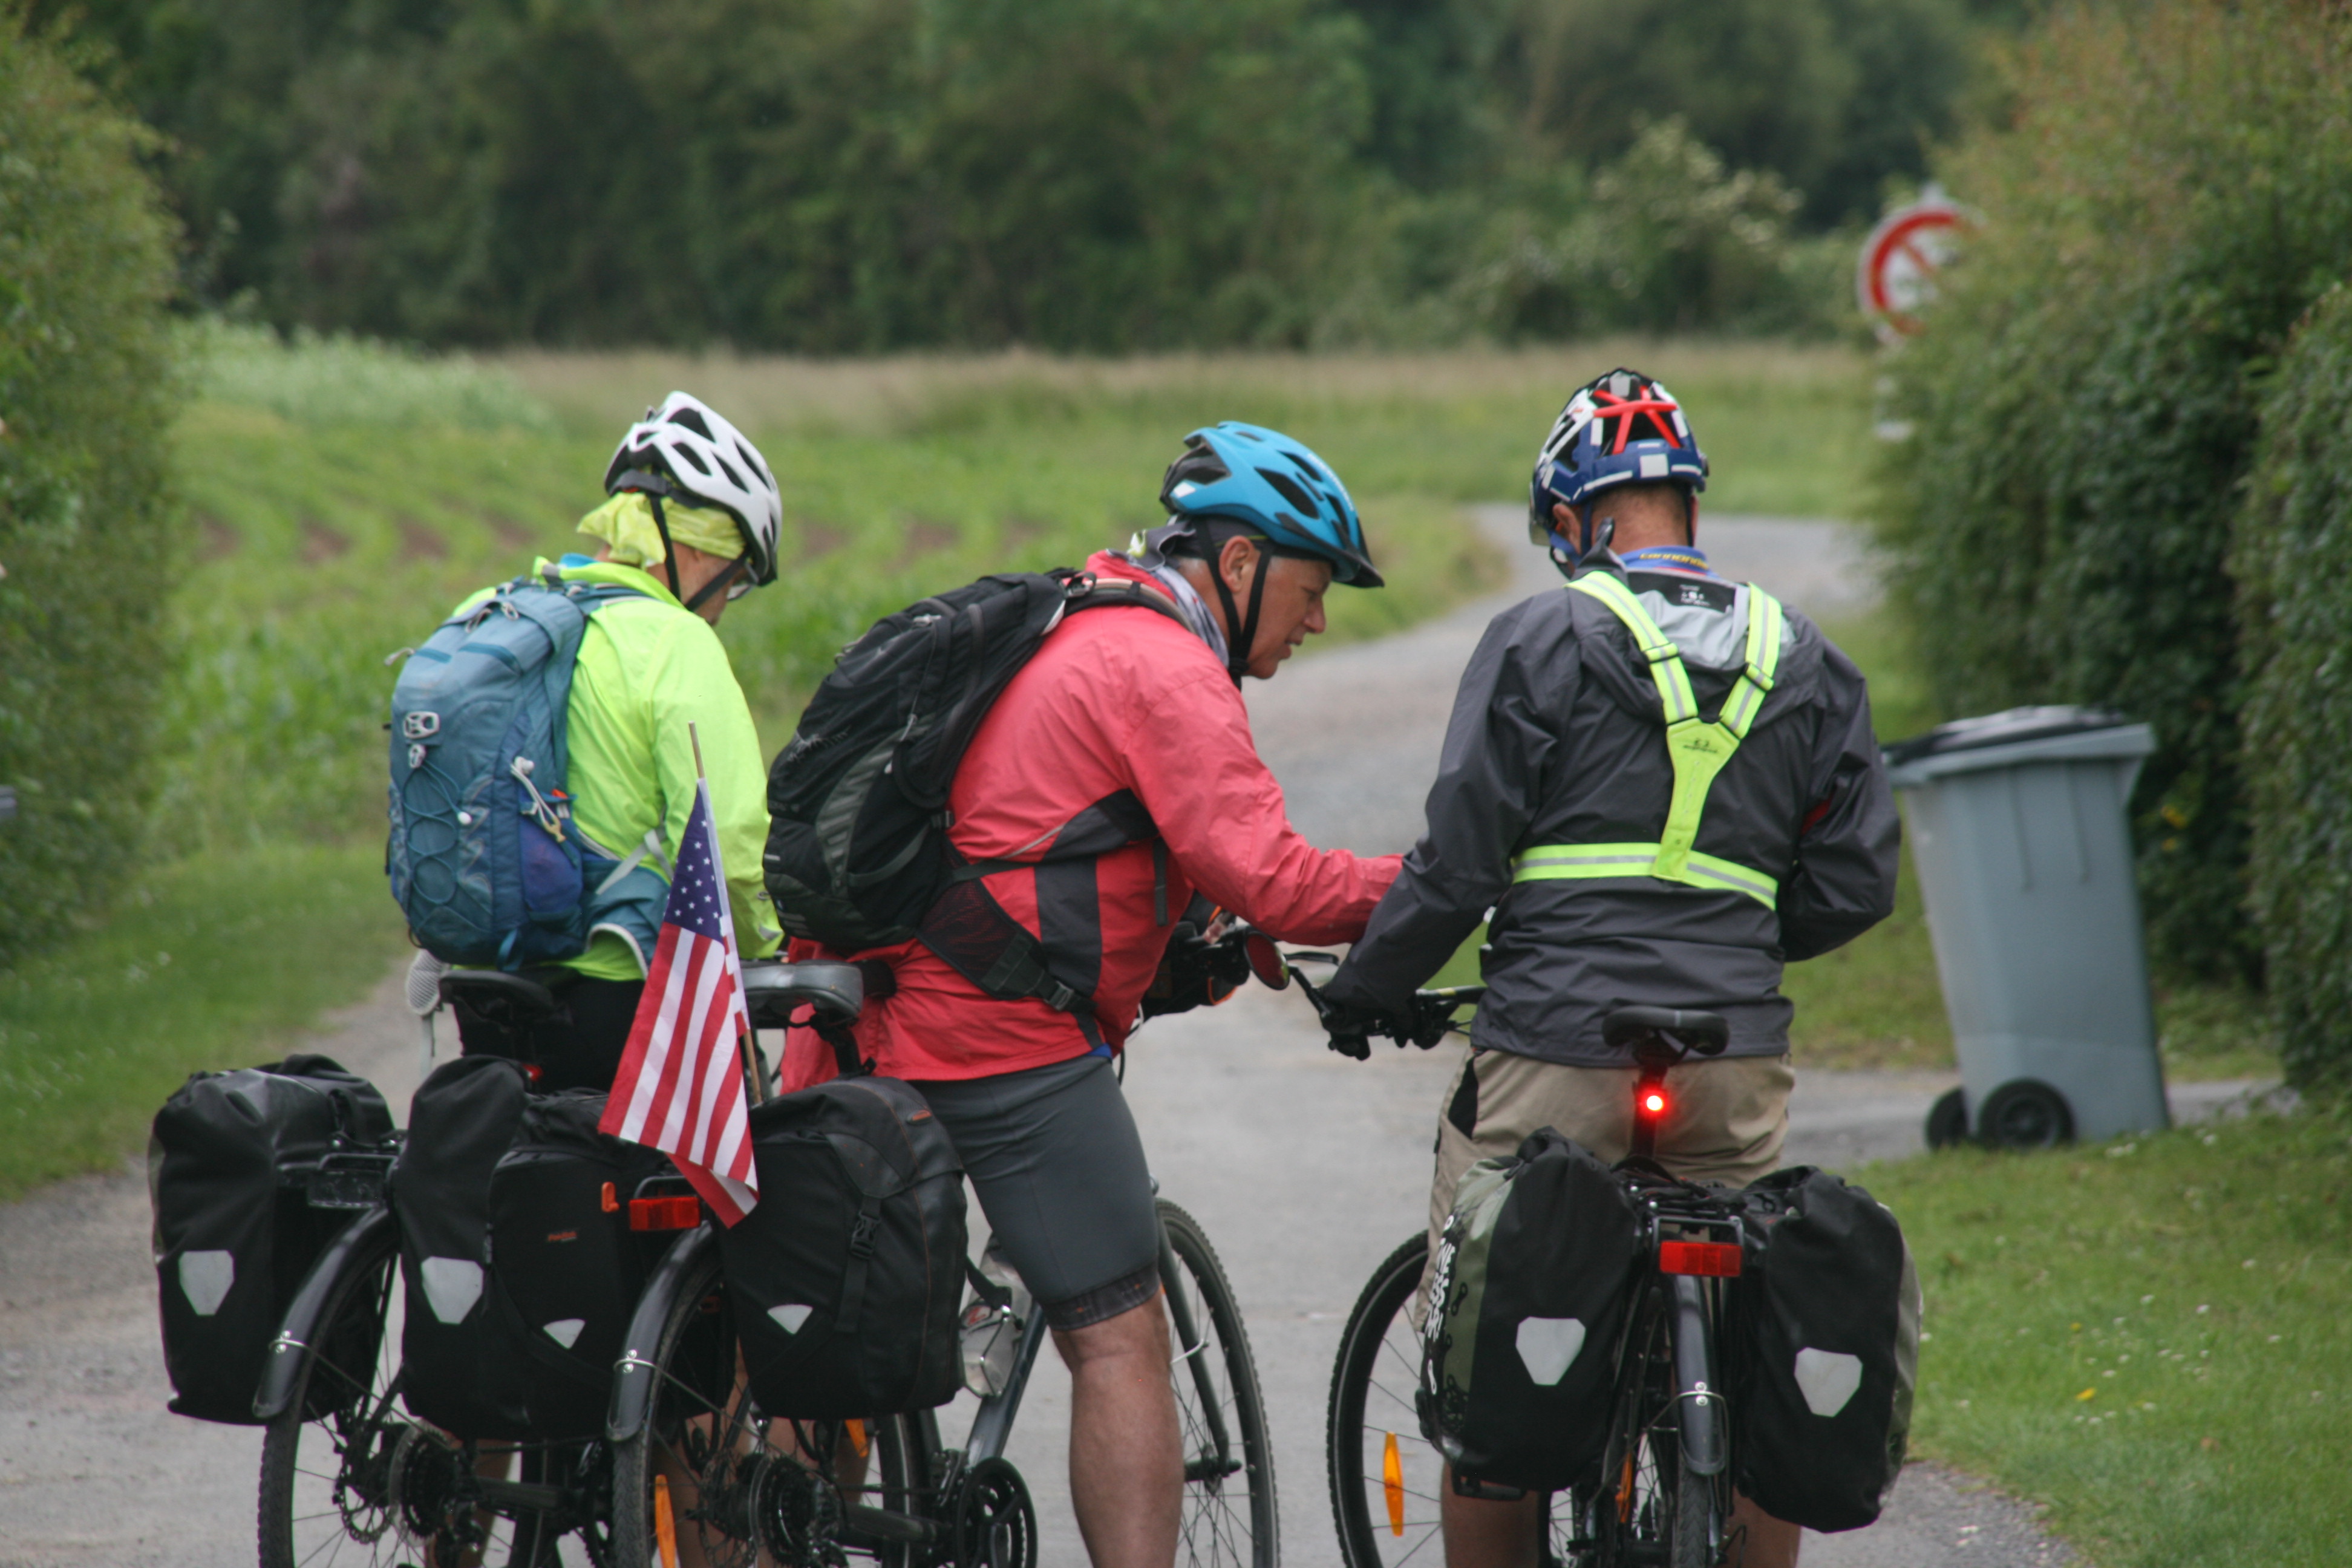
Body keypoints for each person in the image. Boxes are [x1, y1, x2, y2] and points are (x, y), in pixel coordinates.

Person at [783, 422, 1403, 1568]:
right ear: (1236, 564)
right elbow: (1269, 869)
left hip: (869, 1011)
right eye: (1309, 590)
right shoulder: (1166, 667)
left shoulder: (1073, 620)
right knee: (1119, 1336)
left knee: (838, 1337)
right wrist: (1427, 885)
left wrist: (1200, 922)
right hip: (996, 1041)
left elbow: (1061, 832)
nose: (1314, 621)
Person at [1320, 369, 1901, 1568]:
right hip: (1729, 1068)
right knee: (1749, 1370)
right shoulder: (1807, 657)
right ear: (1685, 503)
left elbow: (1460, 859)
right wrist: (1735, 945)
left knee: (1487, 1356)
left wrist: (1371, 984)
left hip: (1555, 1049)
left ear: (1578, 518)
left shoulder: (1543, 636)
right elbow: (1856, 881)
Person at [439, 391, 786, 1089]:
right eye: (734, 577)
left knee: (512, 1180)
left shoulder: (485, 618)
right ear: (693, 549)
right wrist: (770, 955)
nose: (723, 605)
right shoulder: (675, 642)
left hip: (484, 989)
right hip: (624, 999)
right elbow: (727, 846)